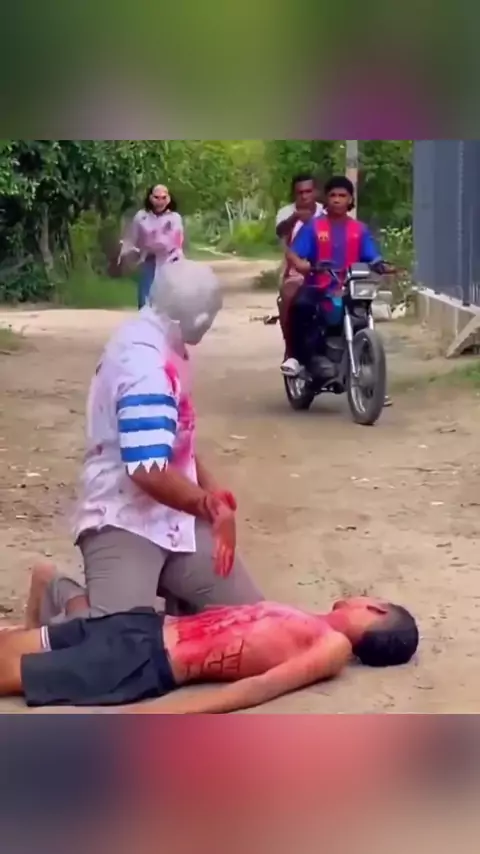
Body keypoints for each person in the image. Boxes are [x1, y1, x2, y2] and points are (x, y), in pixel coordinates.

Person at [38, 259, 263, 628]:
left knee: (254, 622)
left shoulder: (164, 341)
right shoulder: (145, 366)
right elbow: (146, 469)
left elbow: (172, 440)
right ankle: (56, 590)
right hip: (124, 515)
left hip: (173, 516)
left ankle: (174, 605)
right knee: (117, 643)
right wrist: (207, 505)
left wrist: (210, 489)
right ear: (198, 318)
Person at [3, 567, 419, 710]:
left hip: (144, 661)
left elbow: (262, 686)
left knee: (10, 671)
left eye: (369, 598)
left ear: (376, 611)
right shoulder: (306, 620)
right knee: (11, 647)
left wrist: (173, 715)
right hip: (142, 627)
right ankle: (50, 591)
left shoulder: (334, 645)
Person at [283, 175, 393, 405]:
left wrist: (380, 265)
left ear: (350, 199)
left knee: (364, 315)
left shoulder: (359, 229)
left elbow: (372, 255)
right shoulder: (315, 226)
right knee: (300, 307)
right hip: (319, 285)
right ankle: (297, 358)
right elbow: (293, 252)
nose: (337, 200)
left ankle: (374, 383)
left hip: (350, 287)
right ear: (326, 199)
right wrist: (301, 264)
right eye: (333, 195)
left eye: (342, 195)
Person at [275, 174, 324, 372]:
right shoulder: (286, 213)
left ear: (316, 192)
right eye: (300, 192)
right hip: (296, 270)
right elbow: (280, 233)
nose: (304, 196)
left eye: (308, 191)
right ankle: (292, 350)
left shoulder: (325, 212)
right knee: (288, 296)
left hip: (327, 269)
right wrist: (295, 217)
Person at [119, 184, 185, 309]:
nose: (160, 201)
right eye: (156, 197)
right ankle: (145, 318)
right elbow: (132, 239)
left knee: (169, 297)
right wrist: (130, 255)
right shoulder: (141, 217)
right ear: (150, 198)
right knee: (145, 297)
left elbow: (177, 240)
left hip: (169, 261)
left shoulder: (174, 218)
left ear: (169, 199)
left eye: (163, 198)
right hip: (148, 259)